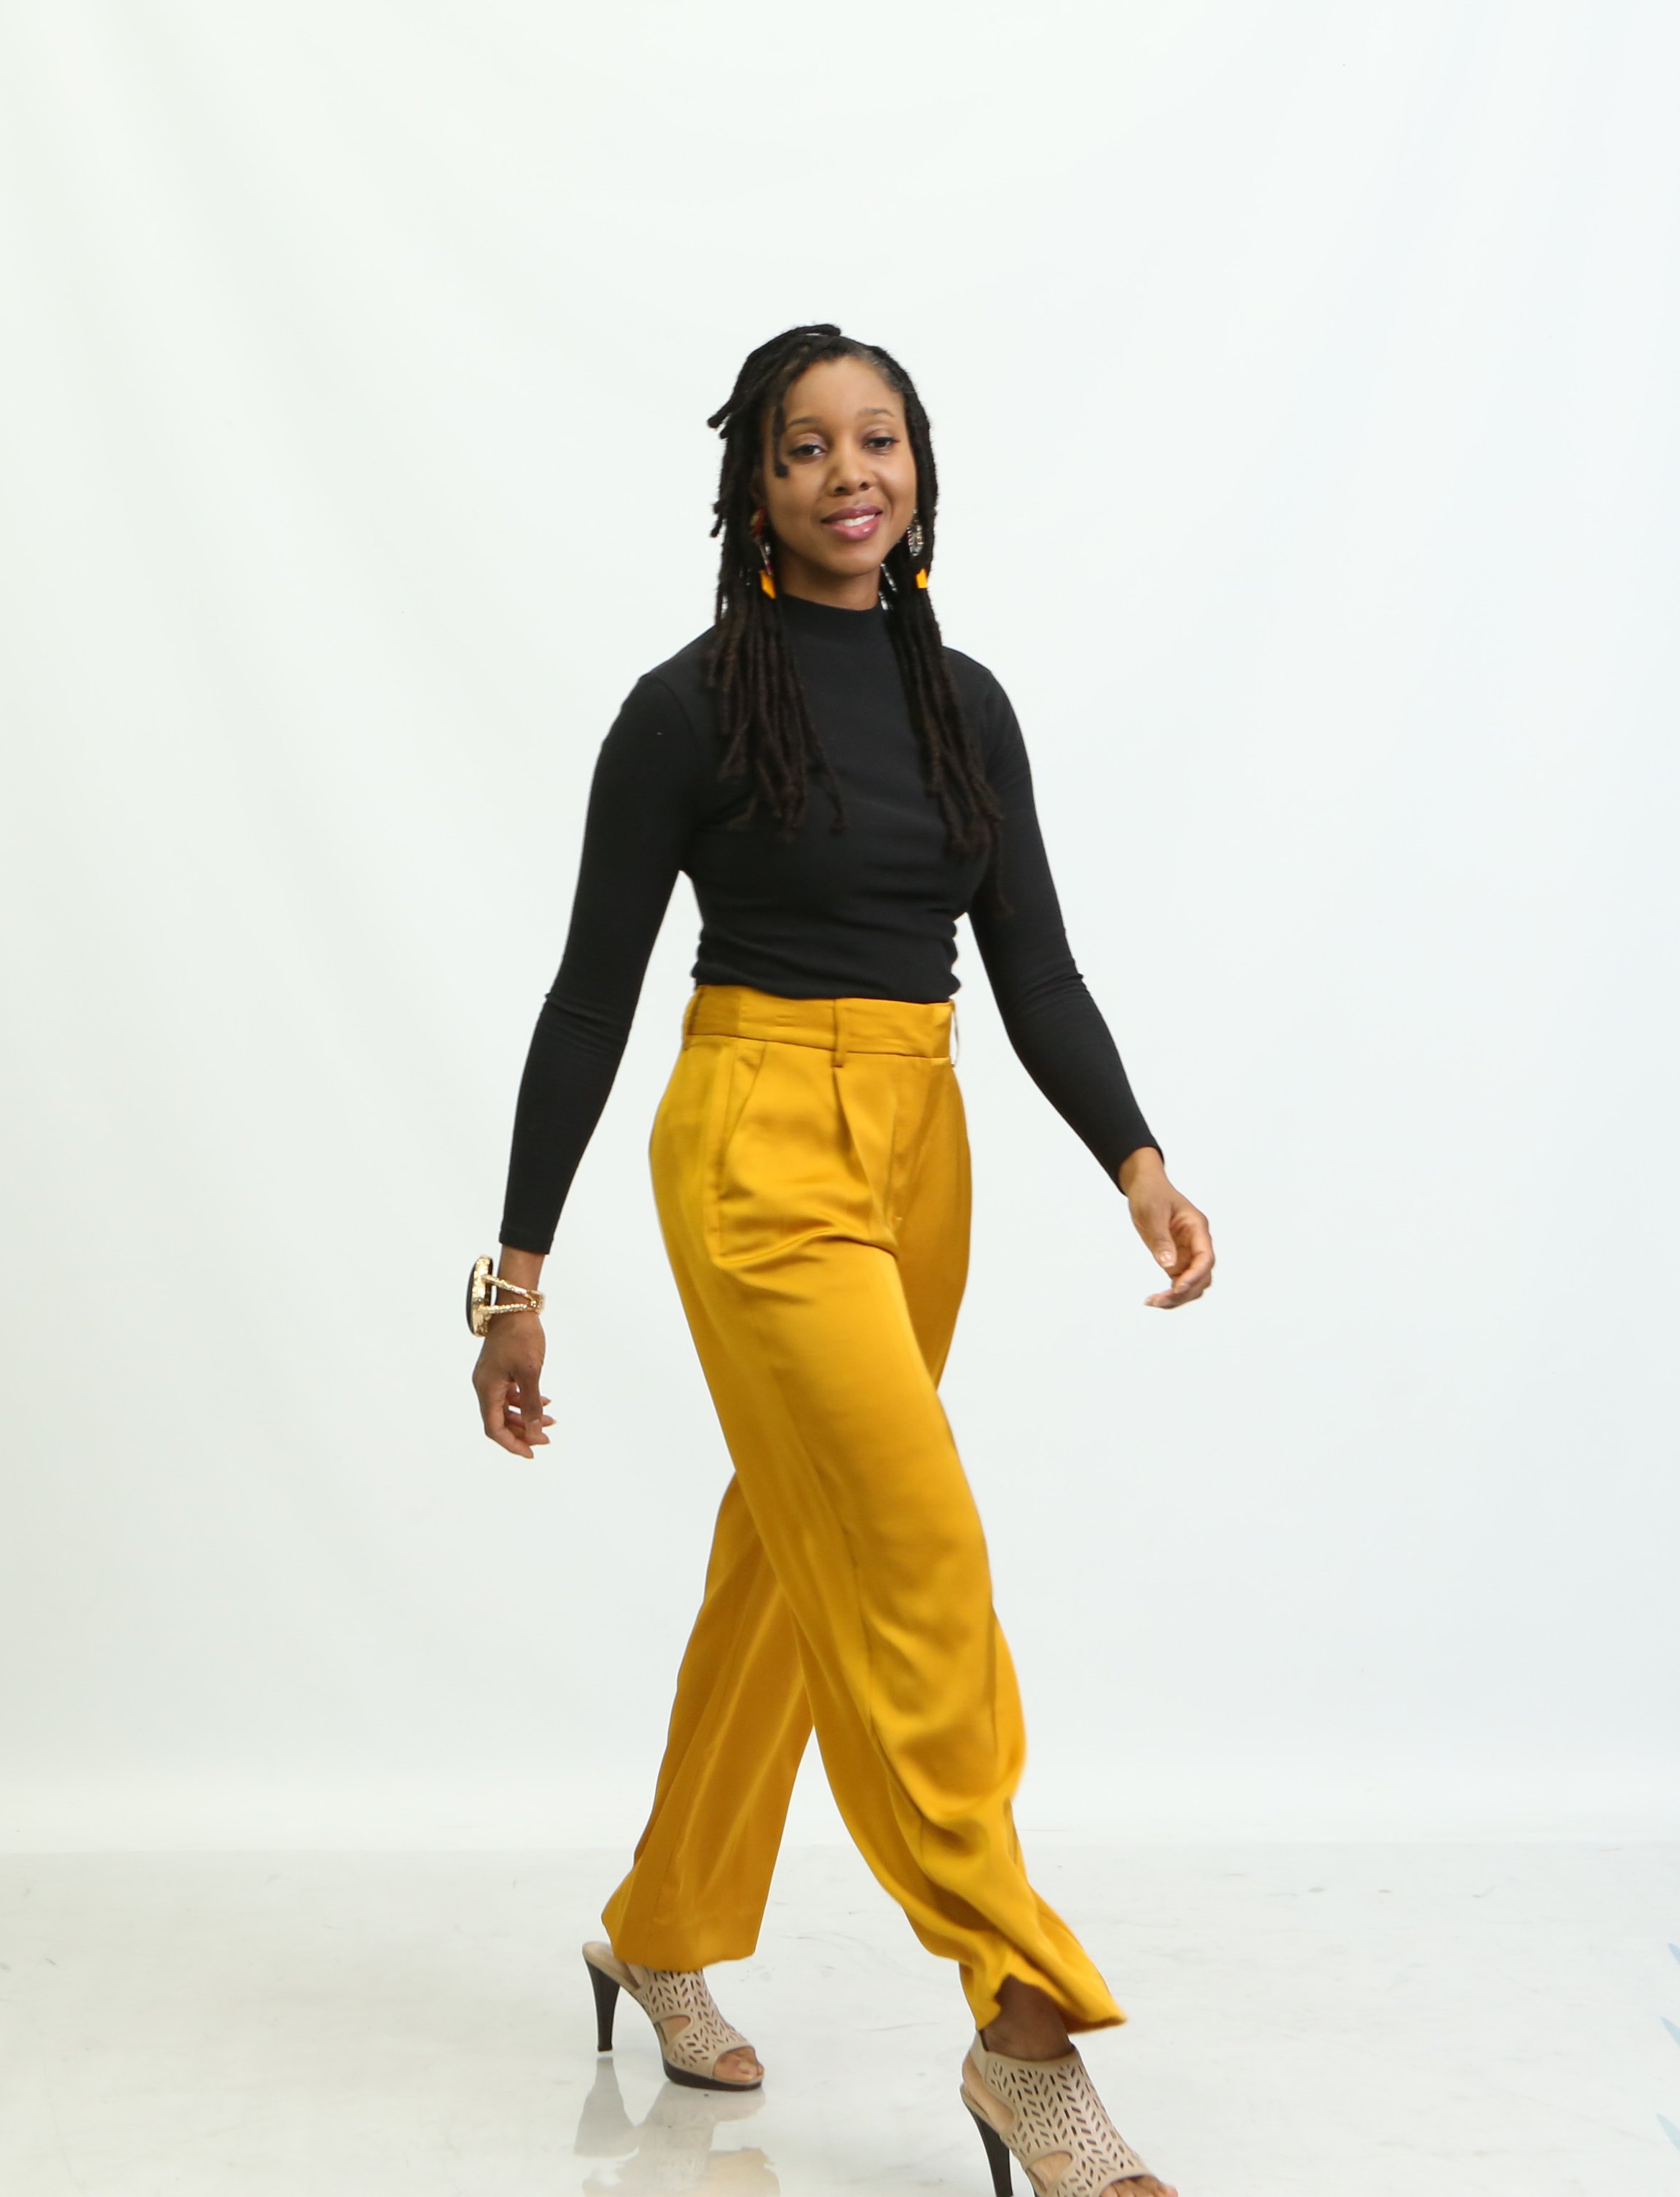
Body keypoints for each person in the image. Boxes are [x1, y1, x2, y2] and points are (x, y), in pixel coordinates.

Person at [472, 323, 1213, 2197]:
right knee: (909, 1547)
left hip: (919, 1137)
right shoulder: (687, 707)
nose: (847, 472)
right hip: (751, 1140)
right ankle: (1021, 2026)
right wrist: (514, 1275)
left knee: (793, 1561)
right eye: (805, 448)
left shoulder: (964, 704)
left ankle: (657, 1922)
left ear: (917, 471)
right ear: (754, 488)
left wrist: (1133, 1158)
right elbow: (587, 996)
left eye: (877, 440)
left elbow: (1030, 965)